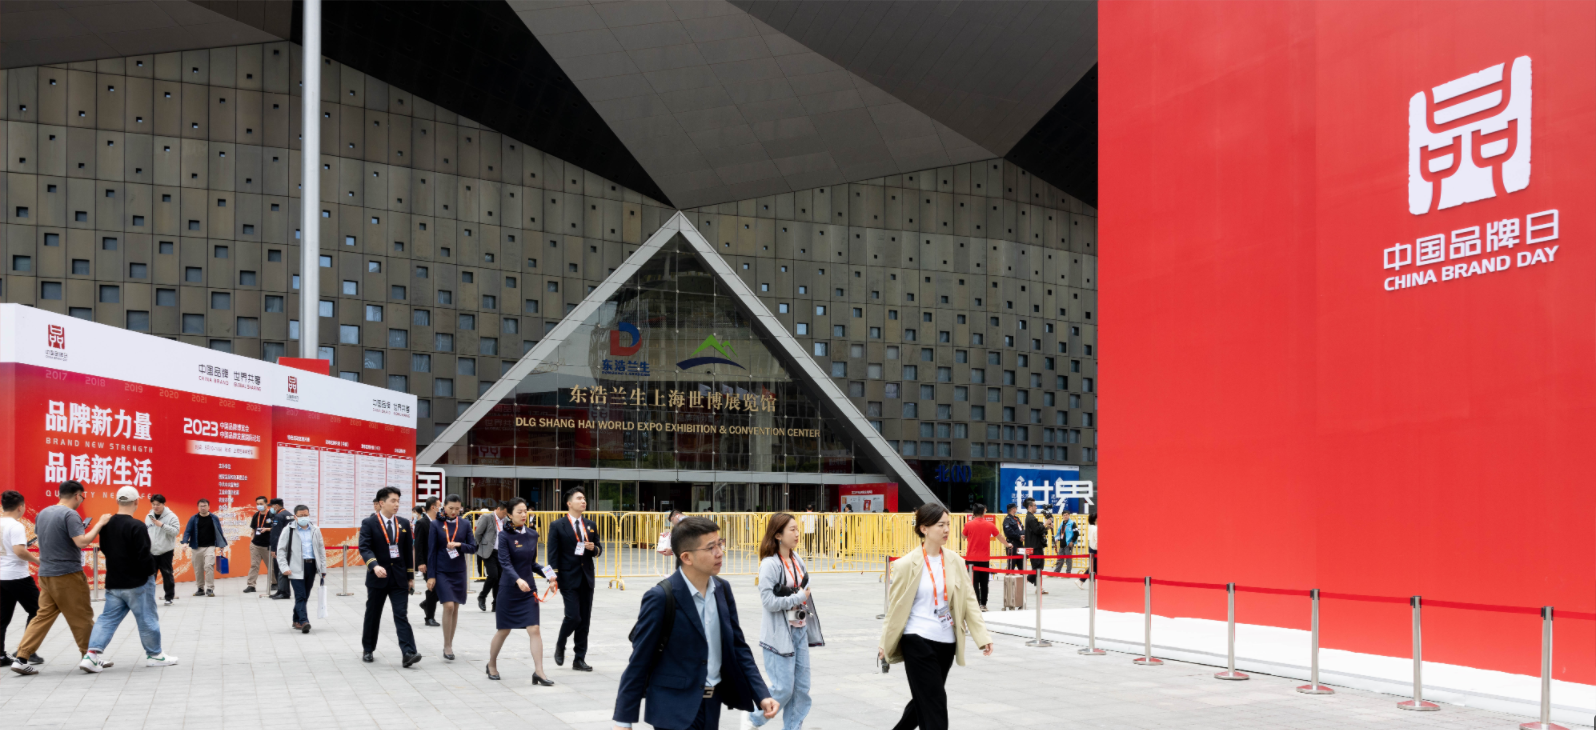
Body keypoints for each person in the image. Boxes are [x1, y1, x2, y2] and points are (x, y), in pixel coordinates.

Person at [612, 516, 777, 730]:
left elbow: (738, 647)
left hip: (712, 703)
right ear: (686, 557)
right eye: (710, 547)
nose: (719, 553)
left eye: (720, 544)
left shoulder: (722, 589)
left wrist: (762, 694)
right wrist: (623, 720)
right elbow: (639, 659)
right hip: (672, 709)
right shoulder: (661, 597)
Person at [877, 503, 994, 730]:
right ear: (924, 528)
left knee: (926, 697)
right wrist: (884, 642)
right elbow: (895, 609)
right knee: (935, 701)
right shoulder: (905, 565)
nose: (946, 530)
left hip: (946, 641)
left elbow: (970, 600)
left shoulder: (956, 561)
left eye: (948, 524)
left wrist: (983, 636)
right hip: (916, 639)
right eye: (941, 525)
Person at [11, 480, 110, 675]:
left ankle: (21, 658)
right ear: (77, 495)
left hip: (46, 573)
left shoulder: (43, 513)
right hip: (67, 574)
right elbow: (81, 542)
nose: (82, 500)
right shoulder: (70, 514)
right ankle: (89, 657)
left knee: (42, 616)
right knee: (82, 616)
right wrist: (99, 523)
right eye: (83, 497)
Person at [81, 486, 178, 672]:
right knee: (147, 618)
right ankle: (155, 655)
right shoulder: (137, 526)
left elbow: (105, 549)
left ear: (117, 501)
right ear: (136, 502)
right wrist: (150, 572)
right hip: (138, 582)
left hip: (114, 581)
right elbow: (144, 555)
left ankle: (91, 655)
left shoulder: (106, 524)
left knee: (107, 619)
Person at [745, 513, 815, 730]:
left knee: (801, 689)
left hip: (799, 629)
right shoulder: (770, 564)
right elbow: (768, 602)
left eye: (797, 528)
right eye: (792, 530)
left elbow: (804, 588)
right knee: (783, 689)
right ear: (778, 535)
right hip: (778, 636)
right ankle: (752, 721)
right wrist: (797, 597)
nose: (797, 533)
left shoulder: (797, 560)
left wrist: (800, 597)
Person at [486, 497, 557, 685]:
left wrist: (550, 575)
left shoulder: (532, 534)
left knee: (534, 629)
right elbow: (505, 563)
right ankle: (491, 663)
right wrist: (517, 580)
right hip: (509, 589)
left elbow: (532, 563)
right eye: (519, 511)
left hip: (528, 590)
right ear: (509, 514)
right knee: (503, 630)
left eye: (525, 511)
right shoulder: (504, 536)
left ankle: (539, 672)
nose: (524, 514)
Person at [358, 487, 421, 667]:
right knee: (373, 614)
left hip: (399, 578)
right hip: (378, 577)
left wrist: (410, 576)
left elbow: (407, 551)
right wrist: (374, 565)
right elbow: (364, 547)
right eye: (393, 500)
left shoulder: (404, 523)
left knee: (401, 614)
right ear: (381, 503)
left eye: (398, 501)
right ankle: (368, 648)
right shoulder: (369, 523)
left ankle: (408, 652)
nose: (397, 504)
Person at [550, 486, 604, 671]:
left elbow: (599, 549)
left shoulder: (590, 524)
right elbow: (552, 555)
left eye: (584, 499)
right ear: (569, 503)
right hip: (567, 577)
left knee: (584, 621)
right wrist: (552, 578)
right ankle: (561, 642)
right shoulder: (557, 525)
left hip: (586, 577)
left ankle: (579, 659)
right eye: (579, 498)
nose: (583, 501)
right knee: (573, 617)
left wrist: (594, 549)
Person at [426, 495, 476, 659]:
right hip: (442, 571)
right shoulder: (436, 524)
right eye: (451, 508)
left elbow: (473, 547)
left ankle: (449, 644)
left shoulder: (465, 523)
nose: (454, 511)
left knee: (455, 607)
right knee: (448, 606)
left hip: (459, 571)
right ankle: (447, 645)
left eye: (457, 509)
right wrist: (431, 576)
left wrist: (459, 545)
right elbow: (431, 551)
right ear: (444, 507)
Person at [2, 490, 41, 668]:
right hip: (17, 576)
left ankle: (1, 656)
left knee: (2, 617)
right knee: (38, 611)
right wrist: (37, 560)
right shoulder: (16, 526)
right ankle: (27, 650)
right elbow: (19, 551)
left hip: (2, 576)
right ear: (20, 507)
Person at [277, 504, 325, 633]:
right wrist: (284, 567)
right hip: (295, 567)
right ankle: (304, 621)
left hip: (311, 566)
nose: (304, 517)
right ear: (295, 517)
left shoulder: (315, 530)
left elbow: (321, 550)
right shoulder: (289, 530)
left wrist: (322, 569)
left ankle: (296, 620)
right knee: (300, 595)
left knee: (305, 595)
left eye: (306, 515)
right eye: (301, 515)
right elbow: (281, 550)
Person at [959, 504, 1002, 612]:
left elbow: (963, 536)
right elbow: (999, 536)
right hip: (984, 558)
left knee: (973, 583)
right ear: (983, 512)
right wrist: (1008, 545)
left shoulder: (968, 524)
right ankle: (983, 604)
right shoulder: (989, 525)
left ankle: (975, 604)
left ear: (973, 513)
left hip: (971, 559)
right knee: (984, 583)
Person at [181, 499, 227, 597]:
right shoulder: (193, 519)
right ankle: (200, 588)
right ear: (198, 507)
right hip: (196, 547)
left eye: (205, 506)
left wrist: (221, 545)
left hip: (210, 546)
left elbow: (219, 531)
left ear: (209, 507)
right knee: (198, 569)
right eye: (201, 506)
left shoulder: (214, 518)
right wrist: (185, 543)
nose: (203, 508)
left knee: (209, 566)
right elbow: (187, 531)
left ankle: (210, 588)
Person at [144, 495, 179, 606]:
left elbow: (176, 531)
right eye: (153, 504)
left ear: (164, 504)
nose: (155, 507)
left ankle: (169, 597)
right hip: (151, 551)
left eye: (158, 504)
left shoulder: (171, 517)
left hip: (165, 551)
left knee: (167, 574)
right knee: (150, 576)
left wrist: (162, 525)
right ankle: (148, 599)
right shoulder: (148, 516)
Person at [473, 501, 508, 612]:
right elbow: (478, 533)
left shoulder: (506, 520)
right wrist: (481, 546)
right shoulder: (487, 518)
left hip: (501, 552)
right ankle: (482, 596)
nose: (505, 515)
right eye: (504, 513)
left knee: (499, 578)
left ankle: (496, 604)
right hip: (488, 551)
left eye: (506, 514)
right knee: (493, 575)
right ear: (498, 509)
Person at [416, 497, 441, 626]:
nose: (440, 508)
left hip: (441, 560)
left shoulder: (441, 521)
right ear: (433, 507)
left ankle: (426, 604)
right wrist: (420, 562)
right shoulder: (422, 523)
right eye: (439, 506)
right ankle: (429, 618)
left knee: (443, 588)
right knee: (433, 588)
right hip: (428, 561)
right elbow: (419, 544)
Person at [245, 495, 272, 594]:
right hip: (255, 545)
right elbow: (253, 528)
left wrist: (267, 529)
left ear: (266, 504)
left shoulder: (272, 515)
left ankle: (274, 583)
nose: (259, 505)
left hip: (267, 546)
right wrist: (252, 538)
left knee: (271, 566)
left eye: (261, 504)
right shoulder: (256, 515)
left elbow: (277, 528)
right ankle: (251, 585)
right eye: (257, 504)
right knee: (254, 565)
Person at [268, 498, 291, 599]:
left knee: (279, 569)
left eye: (271, 506)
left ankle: (283, 592)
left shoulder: (279, 516)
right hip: (289, 546)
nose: (271, 509)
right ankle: (281, 590)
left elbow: (276, 534)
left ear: (276, 506)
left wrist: (274, 549)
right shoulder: (289, 514)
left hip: (280, 547)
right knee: (283, 568)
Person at [1022, 499, 1047, 591]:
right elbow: (1037, 530)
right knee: (1037, 567)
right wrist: (1045, 524)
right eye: (1035, 505)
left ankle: (1039, 587)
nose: (1036, 507)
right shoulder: (1031, 518)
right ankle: (1025, 582)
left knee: (1038, 567)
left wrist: (1046, 528)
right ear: (1030, 507)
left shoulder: (1030, 517)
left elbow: (1037, 530)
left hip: (1035, 545)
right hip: (1035, 546)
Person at [1000, 503, 1023, 575]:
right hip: (1012, 544)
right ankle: (1009, 579)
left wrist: (1023, 536)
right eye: (1015, 508)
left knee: (1021, 564)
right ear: (1012, 509)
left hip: (1020, 544)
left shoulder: (1017, 519)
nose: (1016, 509)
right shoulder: (1007, 520)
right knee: (1011, 565)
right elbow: (1009, 532)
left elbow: (1022, 528)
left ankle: (1023, 580)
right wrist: (1019, 537)